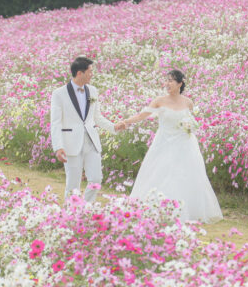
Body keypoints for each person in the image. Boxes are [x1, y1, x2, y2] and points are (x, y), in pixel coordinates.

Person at [115, 70, 223, 223]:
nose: (167, 84)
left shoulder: (188, 102)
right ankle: (157, 208)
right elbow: (141, 115)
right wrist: (125, 122)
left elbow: (191, 122)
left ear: (180, 83)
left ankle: (185, 210)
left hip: (184, 144)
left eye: (171, 80)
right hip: (164, 143)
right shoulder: (160, 101)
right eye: (167, 80)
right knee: (160, 174)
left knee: (184, 176)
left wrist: (189, 128)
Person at [49, 56, 119, 203]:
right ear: (80, 73)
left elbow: (97, 117)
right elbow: (55, 123)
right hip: (70, 144)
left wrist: (114, 127)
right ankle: (69, 214)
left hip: (91, 142)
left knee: (96, 180)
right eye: (90, 71)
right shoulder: (59, 93)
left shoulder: (93, 91)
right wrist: (58, 146)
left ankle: (85, 210)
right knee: (73, 184)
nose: (92, 74)